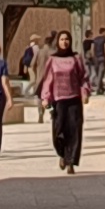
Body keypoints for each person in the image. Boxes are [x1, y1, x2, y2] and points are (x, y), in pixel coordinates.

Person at [39, 31, 88, 172]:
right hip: (59, 101)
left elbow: (83, 77)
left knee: (74, 132)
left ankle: (70, 162)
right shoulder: (52, 60)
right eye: (62, 39)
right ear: (58, 42)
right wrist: (45, 97)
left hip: (74, 100)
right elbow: (48, 80)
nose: (64, 42)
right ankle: (62, 154)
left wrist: (85, 92)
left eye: (67, 39)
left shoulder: (76, 58)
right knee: (58, 132)